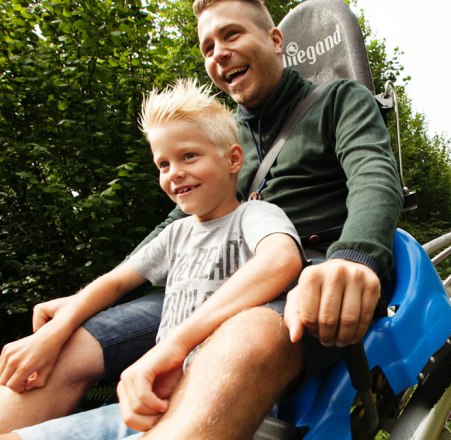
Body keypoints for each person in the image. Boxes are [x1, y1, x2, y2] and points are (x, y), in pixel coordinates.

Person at [0, 0, 403, 436]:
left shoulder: (338, 99)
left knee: (241, 340)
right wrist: (75, 311)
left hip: (300, 282)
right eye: (208, 47)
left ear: (274, 40)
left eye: (231, 35)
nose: (218, 53)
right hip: (204, 279)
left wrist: (355, 256)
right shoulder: (221, 136)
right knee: (63, 348)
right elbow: (171, 230)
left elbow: (373, 174)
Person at [0, 78, 306, 440]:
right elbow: (115, 281)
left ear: (233, 159)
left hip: (215, 404)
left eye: (189, 156)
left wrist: (178, 345)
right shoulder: (175, 235)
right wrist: (58, 328)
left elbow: (280, 261)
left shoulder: (253, 216)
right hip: (147, 407)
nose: (174, 172)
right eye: (163, 164)